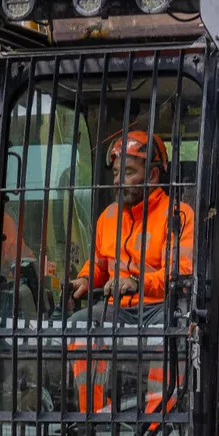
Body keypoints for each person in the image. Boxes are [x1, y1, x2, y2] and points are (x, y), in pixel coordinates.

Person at [71, 130, 195, 311]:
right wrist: (85, 279)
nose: (117, 181)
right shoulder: (108, 216)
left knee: (171, 328)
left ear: (152, 176)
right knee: (77, 324)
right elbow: (99, 265)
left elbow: (178, 275)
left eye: (128, 173)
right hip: (113, 308)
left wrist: (137, 283)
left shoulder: (178, 214)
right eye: (116, 173)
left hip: (159, 307)